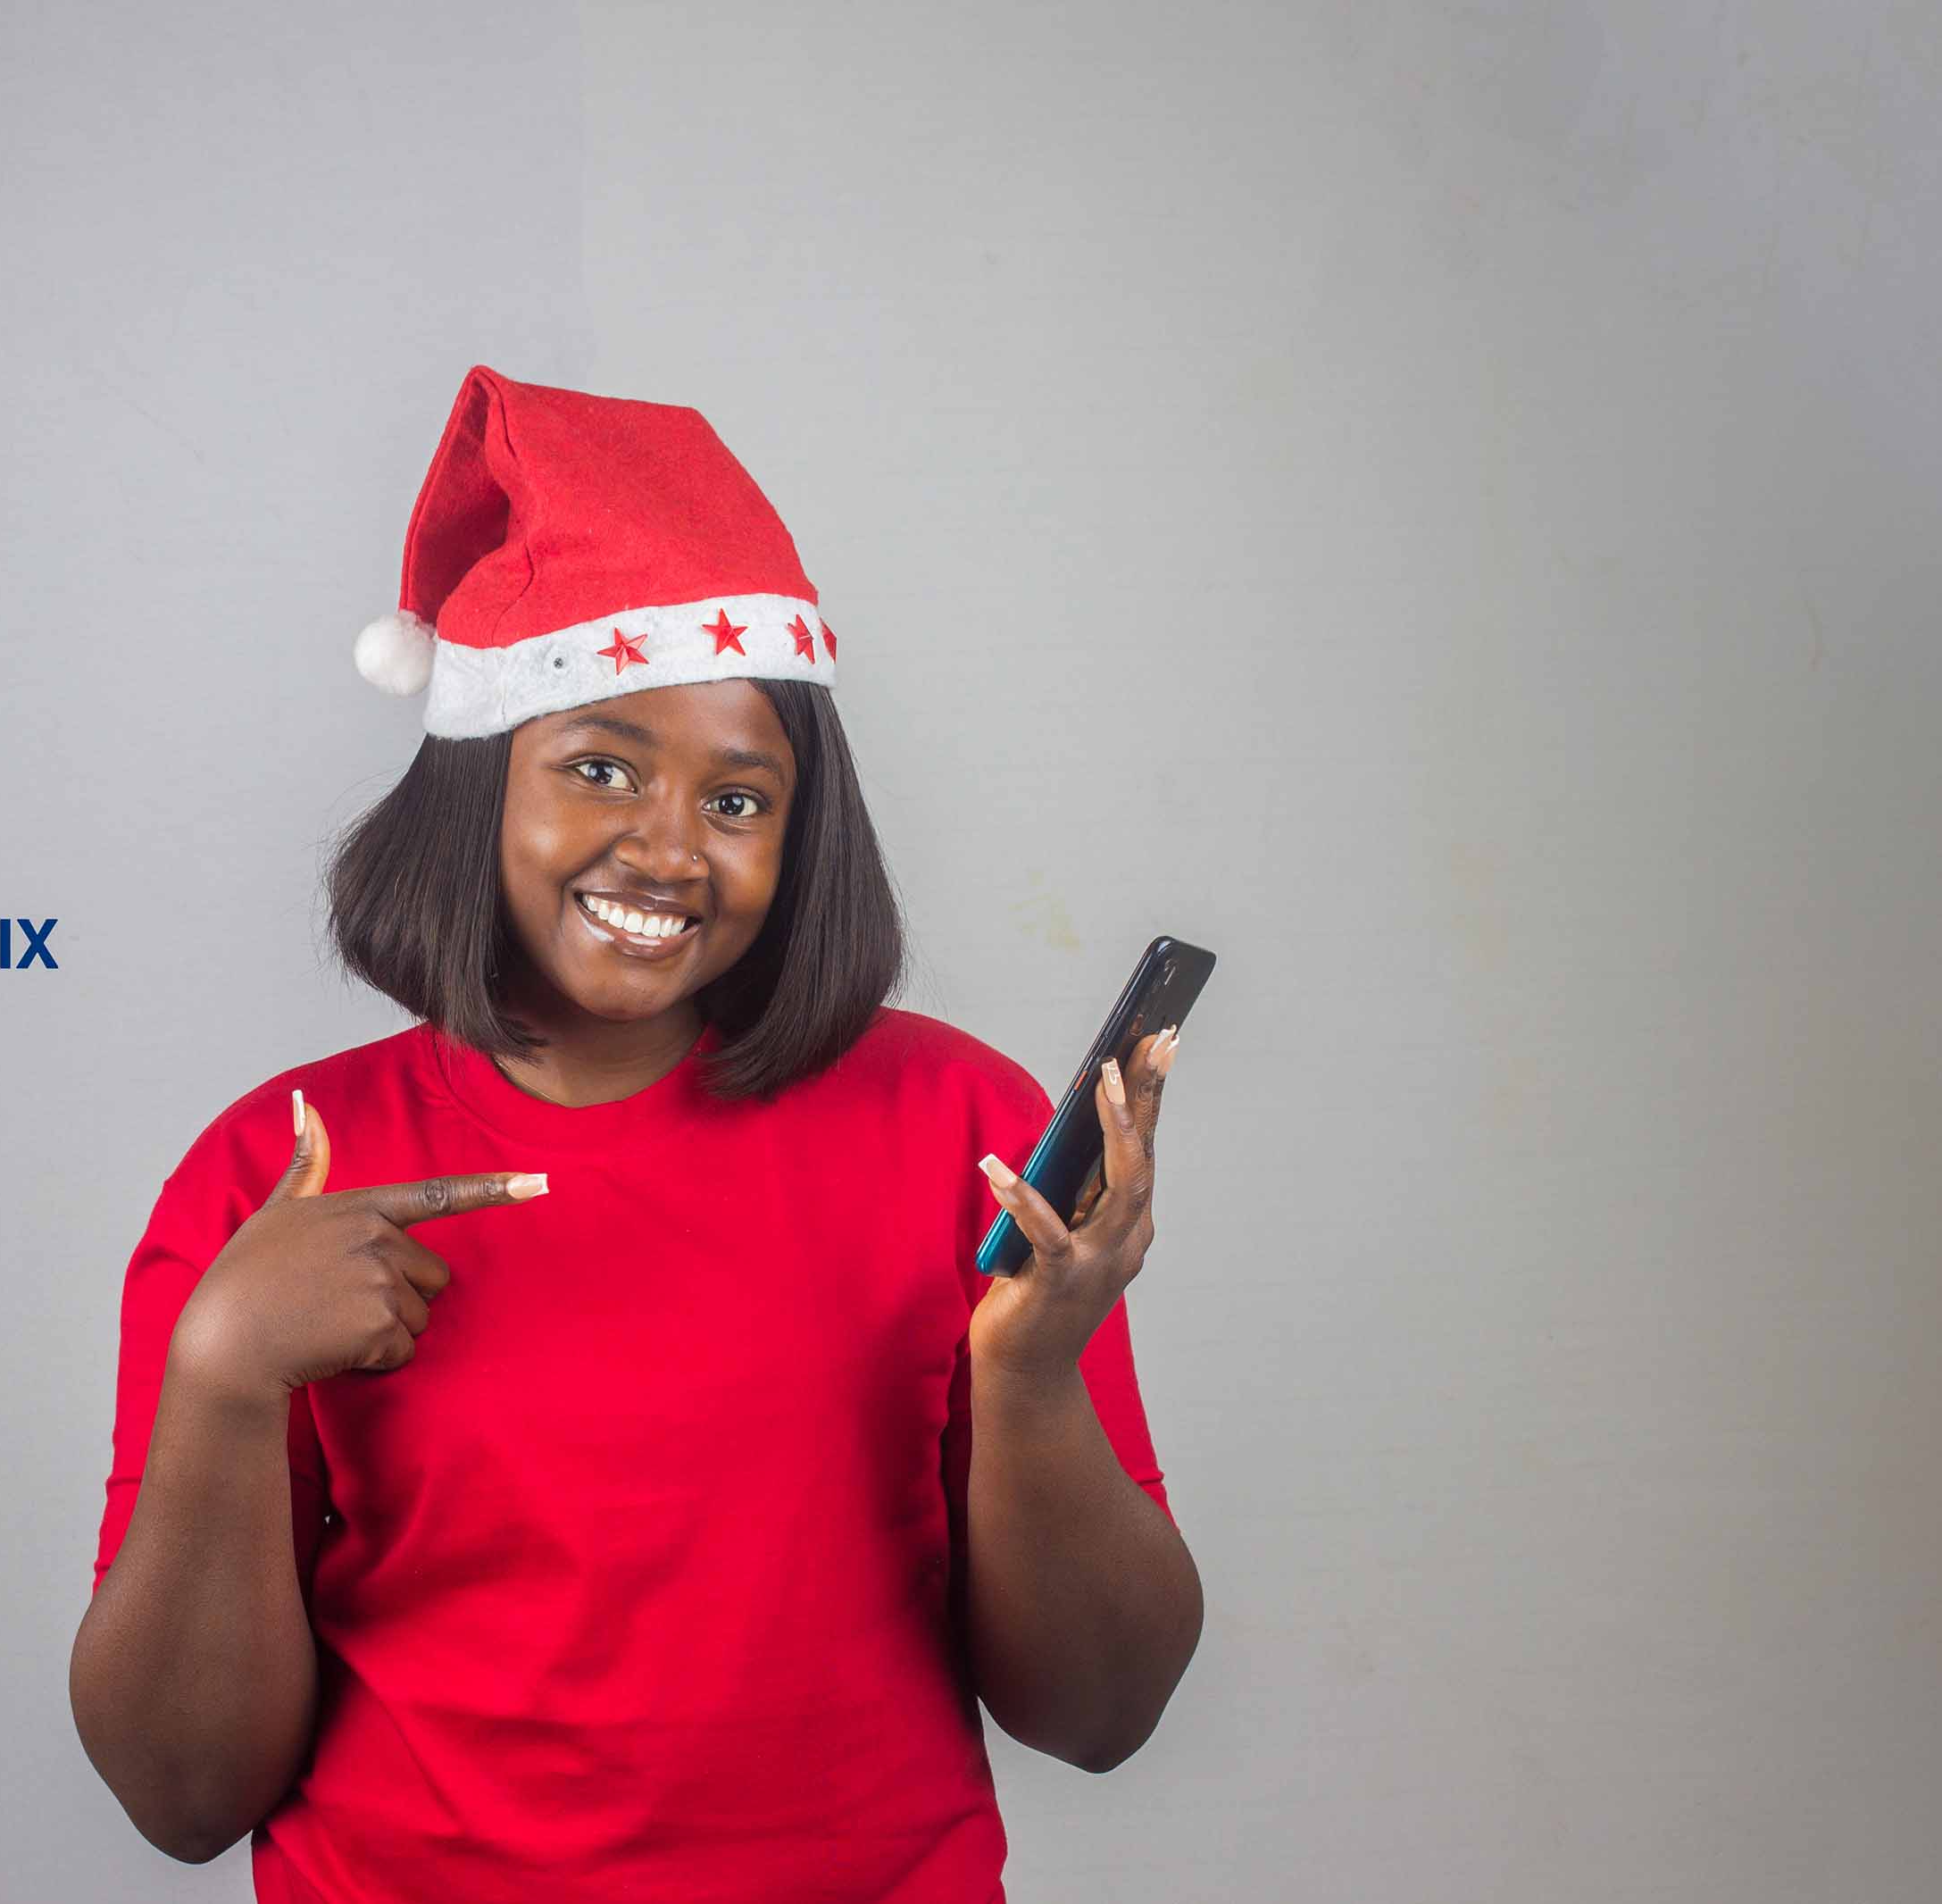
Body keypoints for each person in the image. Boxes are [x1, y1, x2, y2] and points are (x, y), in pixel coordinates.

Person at [67, 364, 1202, 1901]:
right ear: (479, 788)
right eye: (598, 767)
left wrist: (1028, 1369)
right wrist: (222, 1377)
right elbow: (183, 1796)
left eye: (739, 800)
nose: (669, 847)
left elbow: (1099, 1714)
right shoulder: (275, 1170)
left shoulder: (955, 1125)